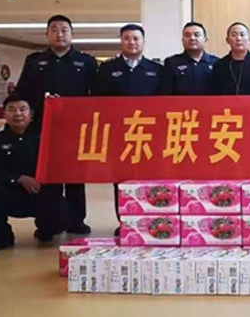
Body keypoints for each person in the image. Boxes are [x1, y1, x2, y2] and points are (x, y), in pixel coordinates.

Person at [16, 14, 96, 235]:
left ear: (72, 34)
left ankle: (77, 220)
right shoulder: (34, 61)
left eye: (64, 30)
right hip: (43, 128)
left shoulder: (86, 62)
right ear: (47, 34)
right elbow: (22, 94)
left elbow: (95, 96)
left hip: (76, 129)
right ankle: (47, 223)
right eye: (54, 30)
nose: (59, 34)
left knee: (75, 177)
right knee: (47, 176)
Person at [93, 23, 162, 236]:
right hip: (119, 135)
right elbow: (97, 101)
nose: (131, 42)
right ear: (121, 41)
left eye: (136, 38)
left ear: (143, 41)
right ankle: (124, 220)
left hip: (149, 135)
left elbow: (166, 103)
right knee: (121, 179)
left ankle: (149, 219)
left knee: (149, 178)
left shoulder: (156, 69)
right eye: (127, 38)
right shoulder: (107, 69)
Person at [0, 95, 63, 251]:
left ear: (31, 114)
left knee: (66, 214)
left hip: (41, 194)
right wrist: (17, 178)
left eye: (23, 109)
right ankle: (2, 238)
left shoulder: (45, 139)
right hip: (9, 194)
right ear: (4, 114)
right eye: (12, 110)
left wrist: (59, 106)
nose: (17, 114)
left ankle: (46, 229)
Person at [160, 22, 220, 95]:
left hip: (210, 102)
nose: (192, 38)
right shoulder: (171, 63)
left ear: (205, 40)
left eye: (197, 35)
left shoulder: (217, 63)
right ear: (182, 40)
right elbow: (166, 93)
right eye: (187, 35)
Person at [210, 22, 250, 95]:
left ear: (249, 40)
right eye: (234, 35)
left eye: (242, 35)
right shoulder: (219, 65)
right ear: (227, 40)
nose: (238, 38)